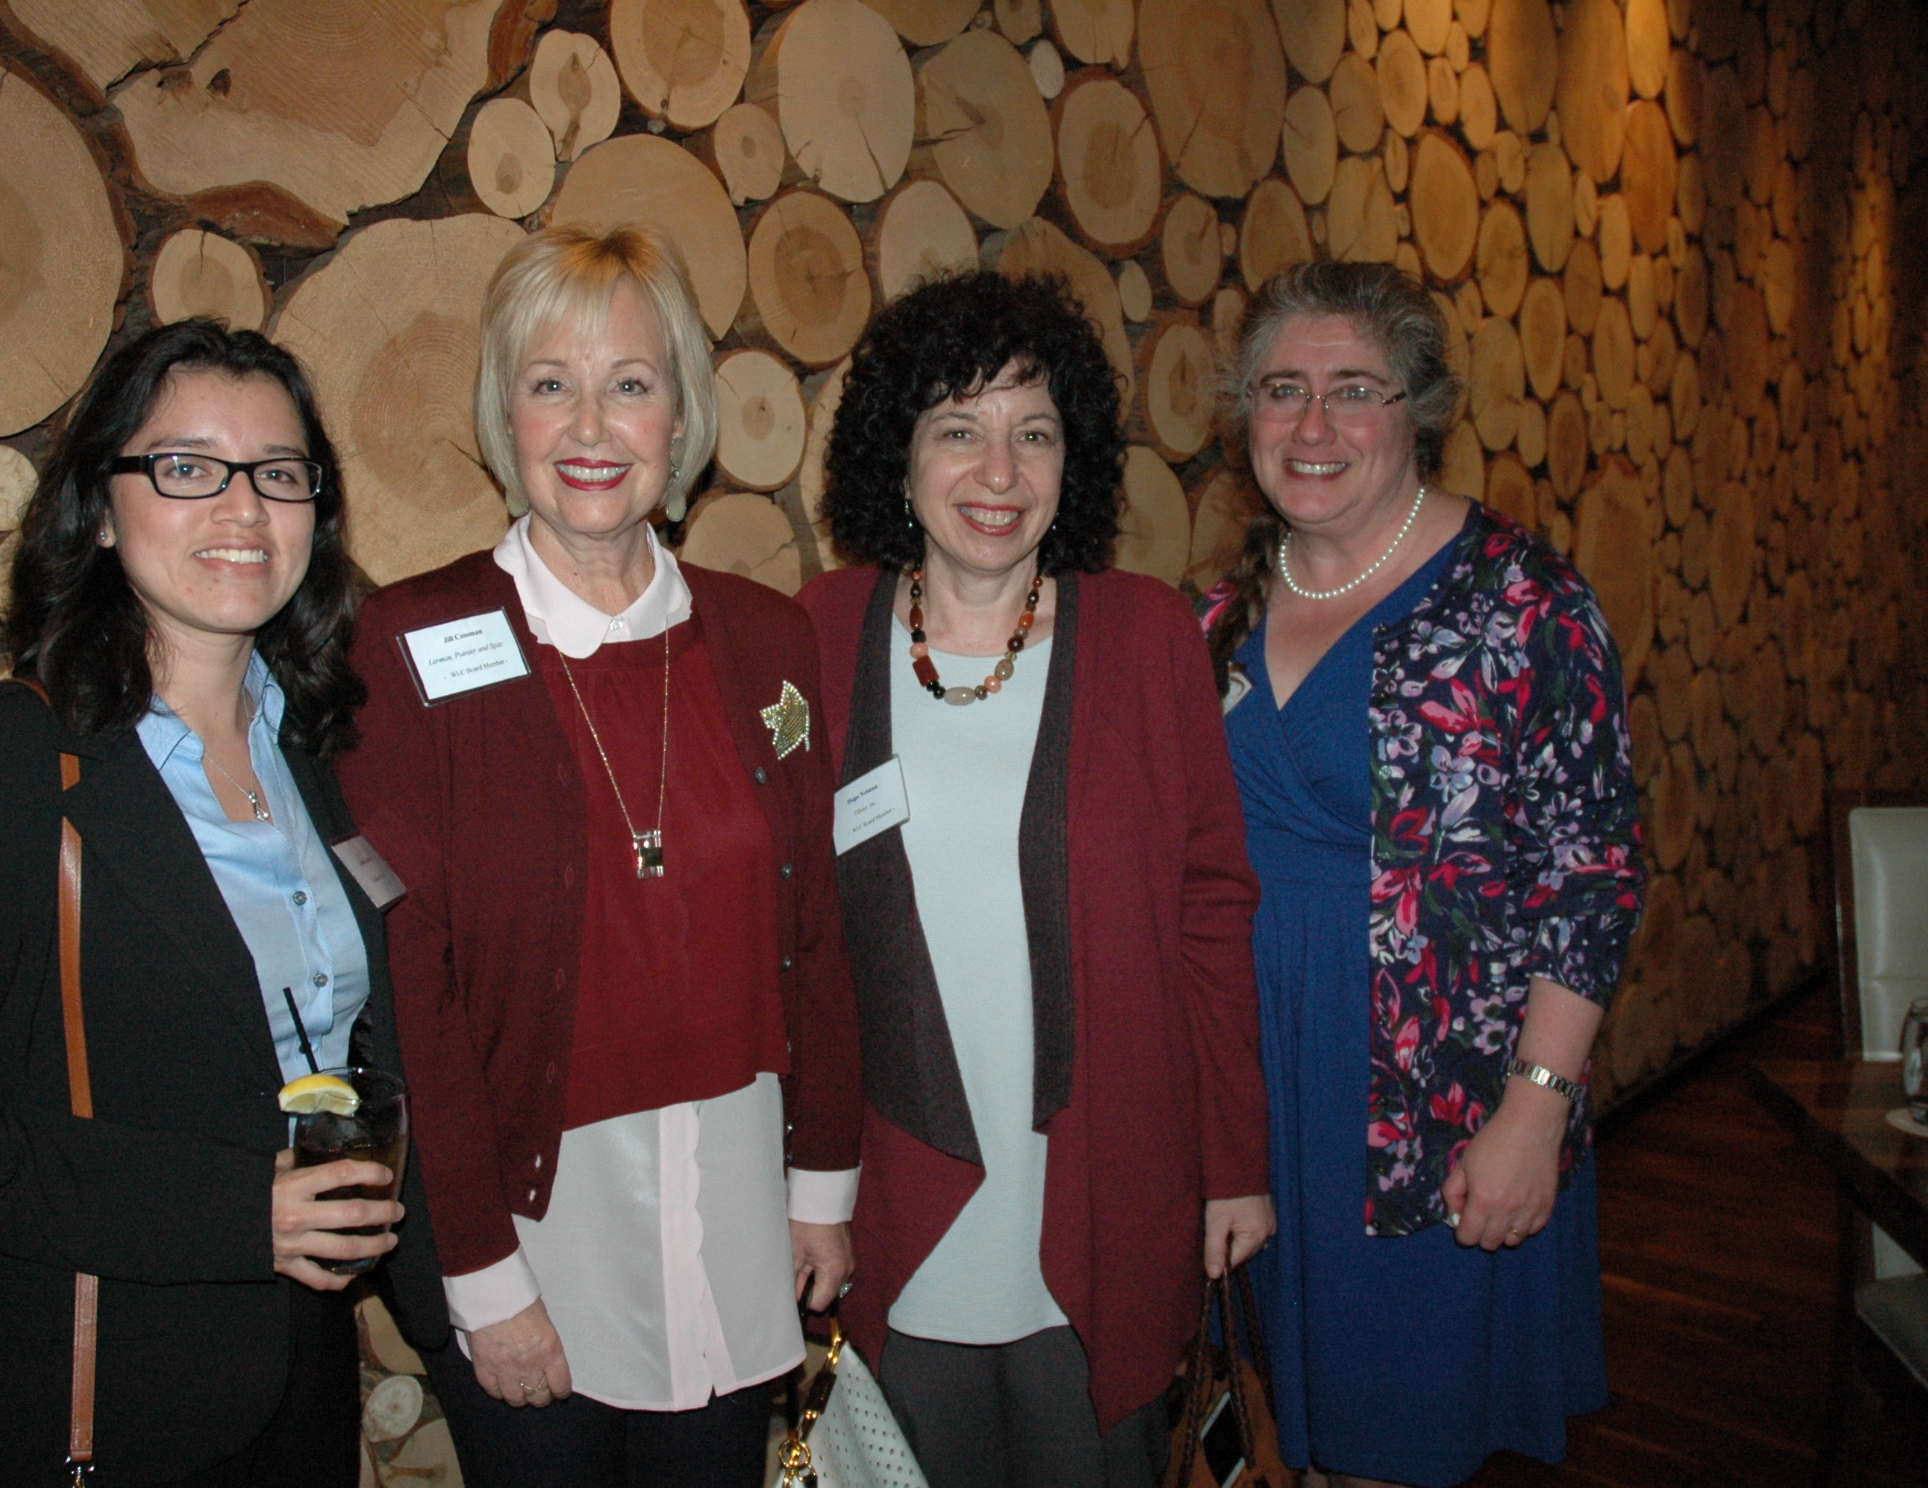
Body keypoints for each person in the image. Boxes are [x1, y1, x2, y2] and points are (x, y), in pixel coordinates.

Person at [0, 321, 440, 1486]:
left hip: (303, 1383)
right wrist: (232, 1213)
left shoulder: (316, 750)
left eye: (278, 473)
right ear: (99, 507)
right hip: (106, 1402)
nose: (242, 508)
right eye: (187, 467)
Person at [336, 223, 861, 1488]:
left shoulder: (766, 638)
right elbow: (414, 992)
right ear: (501, 413)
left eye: (628, 383)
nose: (589, 426)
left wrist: (821, 1185)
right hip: (533, 1220)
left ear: (679, 417)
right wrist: (478, 1271)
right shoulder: (407, 647)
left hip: (737, 1201)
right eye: (548, 383)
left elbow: (816, 929)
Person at [796, 270, 1274, 1488]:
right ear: (898, 455)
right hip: (894, 1187)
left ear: (1075, 460)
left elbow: (1210, 915)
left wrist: (1233, 1163)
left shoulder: (1147, 639)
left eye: (1034, 432)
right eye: (957, 428)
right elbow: (783, 932)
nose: (997, 473)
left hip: (1103, 1180)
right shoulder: (819, 634)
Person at [1199, 260, 1643, 1488]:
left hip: (1428, 1110)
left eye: (1354, 390)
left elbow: (1593, 869)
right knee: (1285, 1440)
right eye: (1281, 390)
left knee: (1390, 1449)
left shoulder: (1522, 602)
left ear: (1418, 410)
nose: (1312, 425)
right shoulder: (1217, 611)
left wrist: (1534, 1110)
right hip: (1254, 1095)